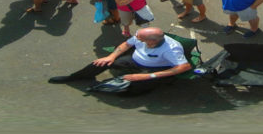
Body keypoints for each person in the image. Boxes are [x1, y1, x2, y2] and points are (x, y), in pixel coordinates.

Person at [47, 27, 191, 91]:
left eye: (140, 38)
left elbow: (184, 67)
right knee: (100, 63)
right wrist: (111, 56)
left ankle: (108, 88)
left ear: (152, 41)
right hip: (134, 60)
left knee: (135, 88)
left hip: (154, 69)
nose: (136, 39)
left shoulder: (171, 49)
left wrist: (147, 76)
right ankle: (75, 77)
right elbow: (126, 44)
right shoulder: (141, 37)